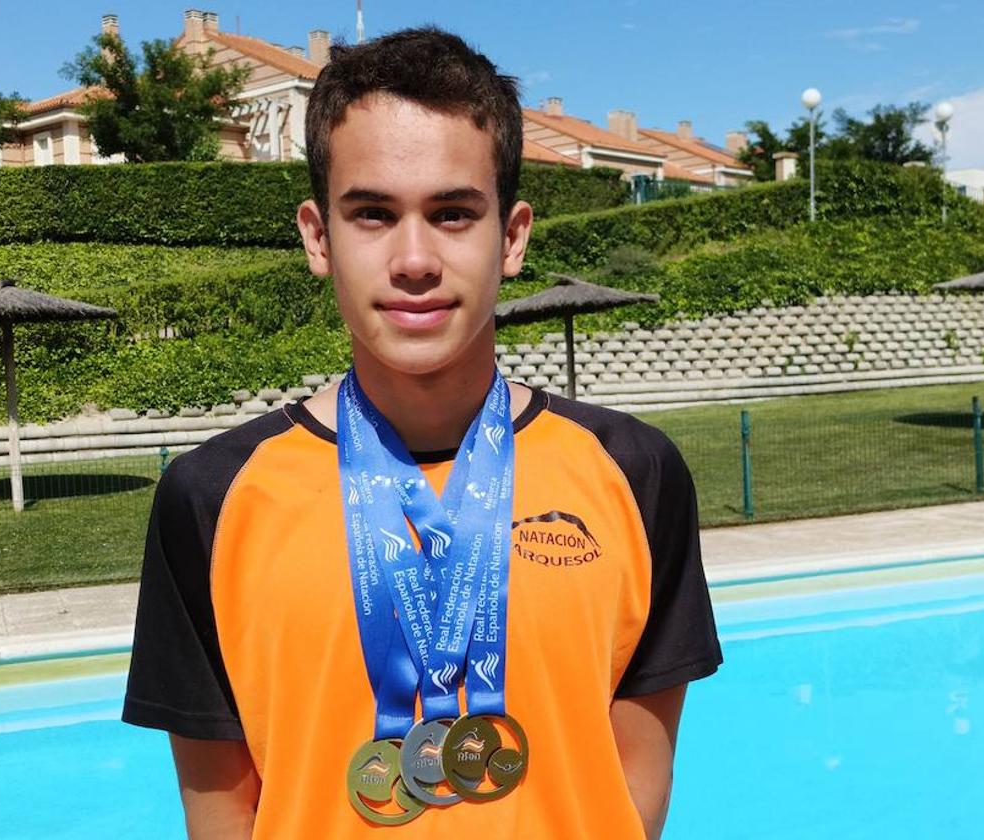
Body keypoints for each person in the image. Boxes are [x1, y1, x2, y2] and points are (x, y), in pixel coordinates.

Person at [122, 26, 721, 839]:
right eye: (372, 213)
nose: (413, 259)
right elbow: (222, 809)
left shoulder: (634, 471)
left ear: (510, 237)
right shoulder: (212, 497)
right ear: (317, 237)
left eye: (451, 213)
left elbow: (638, 782)